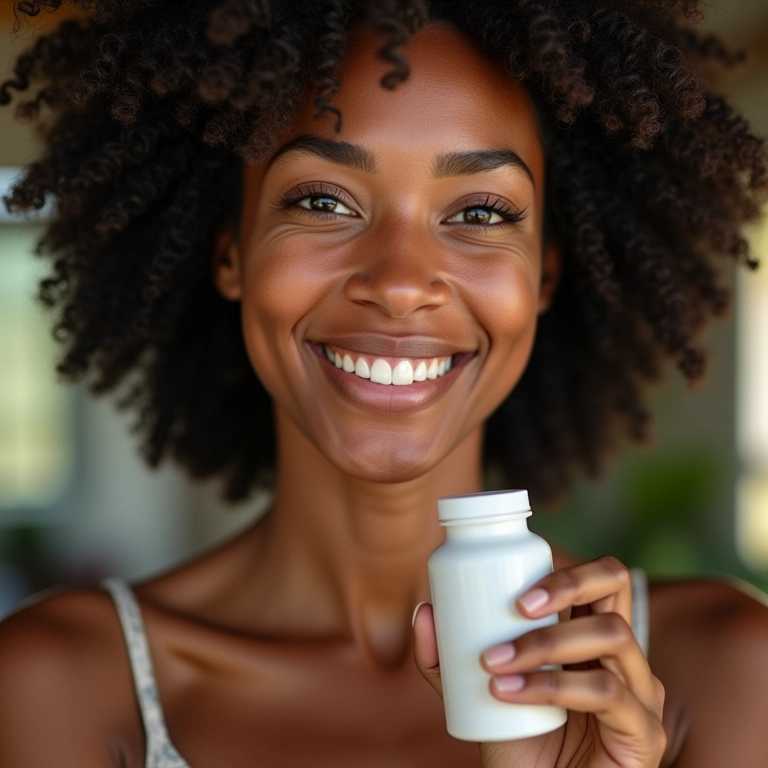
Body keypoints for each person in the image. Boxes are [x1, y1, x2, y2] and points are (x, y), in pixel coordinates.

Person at [1, 1, 767, 766]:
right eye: (323, 201)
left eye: (478, 211)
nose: (401, 283)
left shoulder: (723, 673)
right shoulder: (58, 684)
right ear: (232, 253)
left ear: (543, 276)